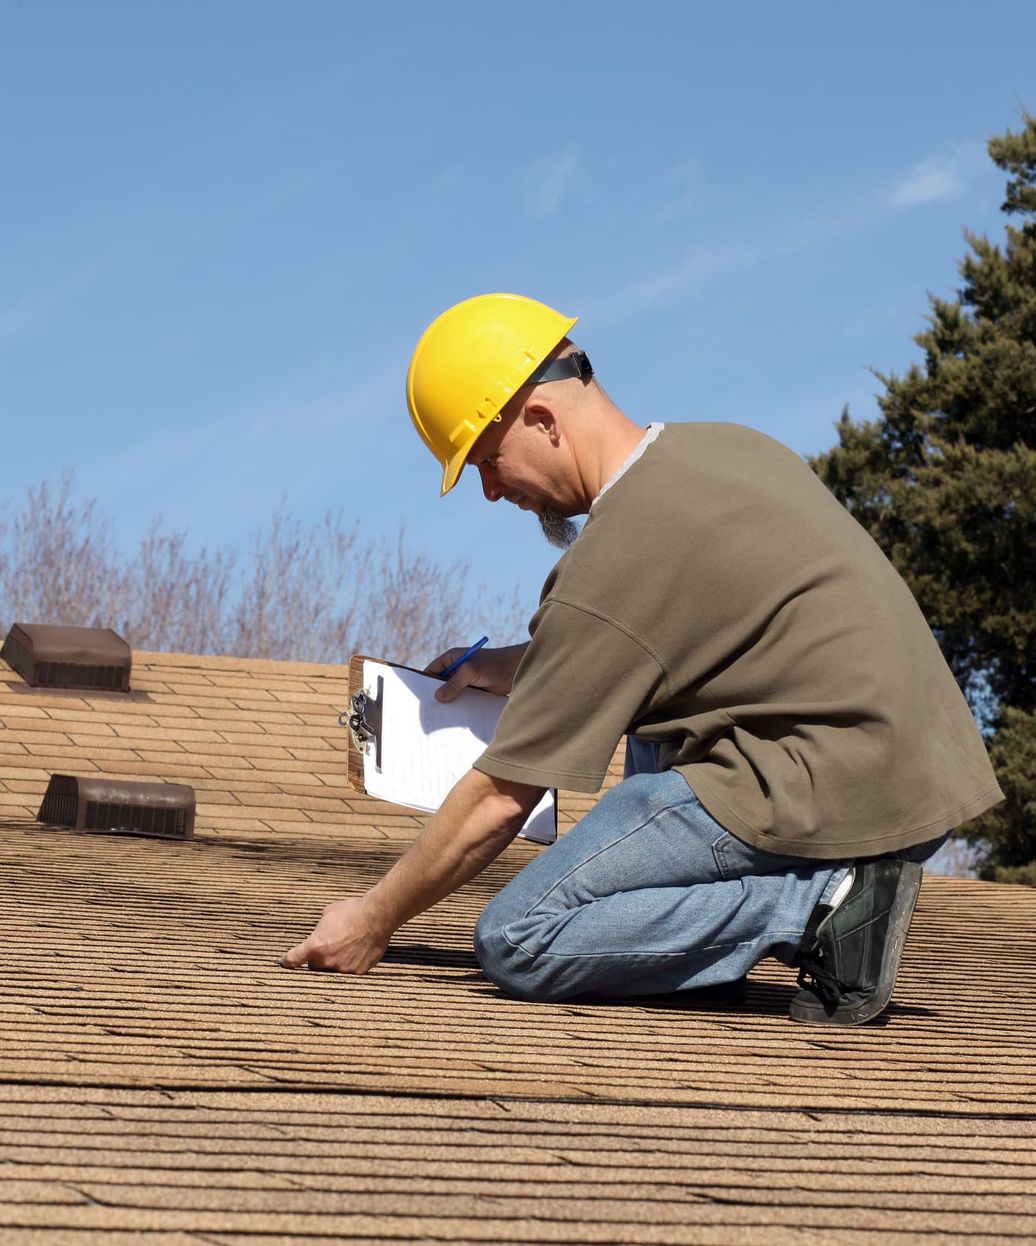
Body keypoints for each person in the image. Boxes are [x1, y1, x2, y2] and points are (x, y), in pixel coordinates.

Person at [282, 293, 1003, 1025]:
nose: (494, 492)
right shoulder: (723, 450)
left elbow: (502, 797)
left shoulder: (614, 559)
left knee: (517, 937)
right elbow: (670, 632)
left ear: (541, 419)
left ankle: (822, 906)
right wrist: (520, 663)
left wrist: (374, 917)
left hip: (834, 788)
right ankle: (701, 957)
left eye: (486, 461)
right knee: (651, 717)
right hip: (911, 769)